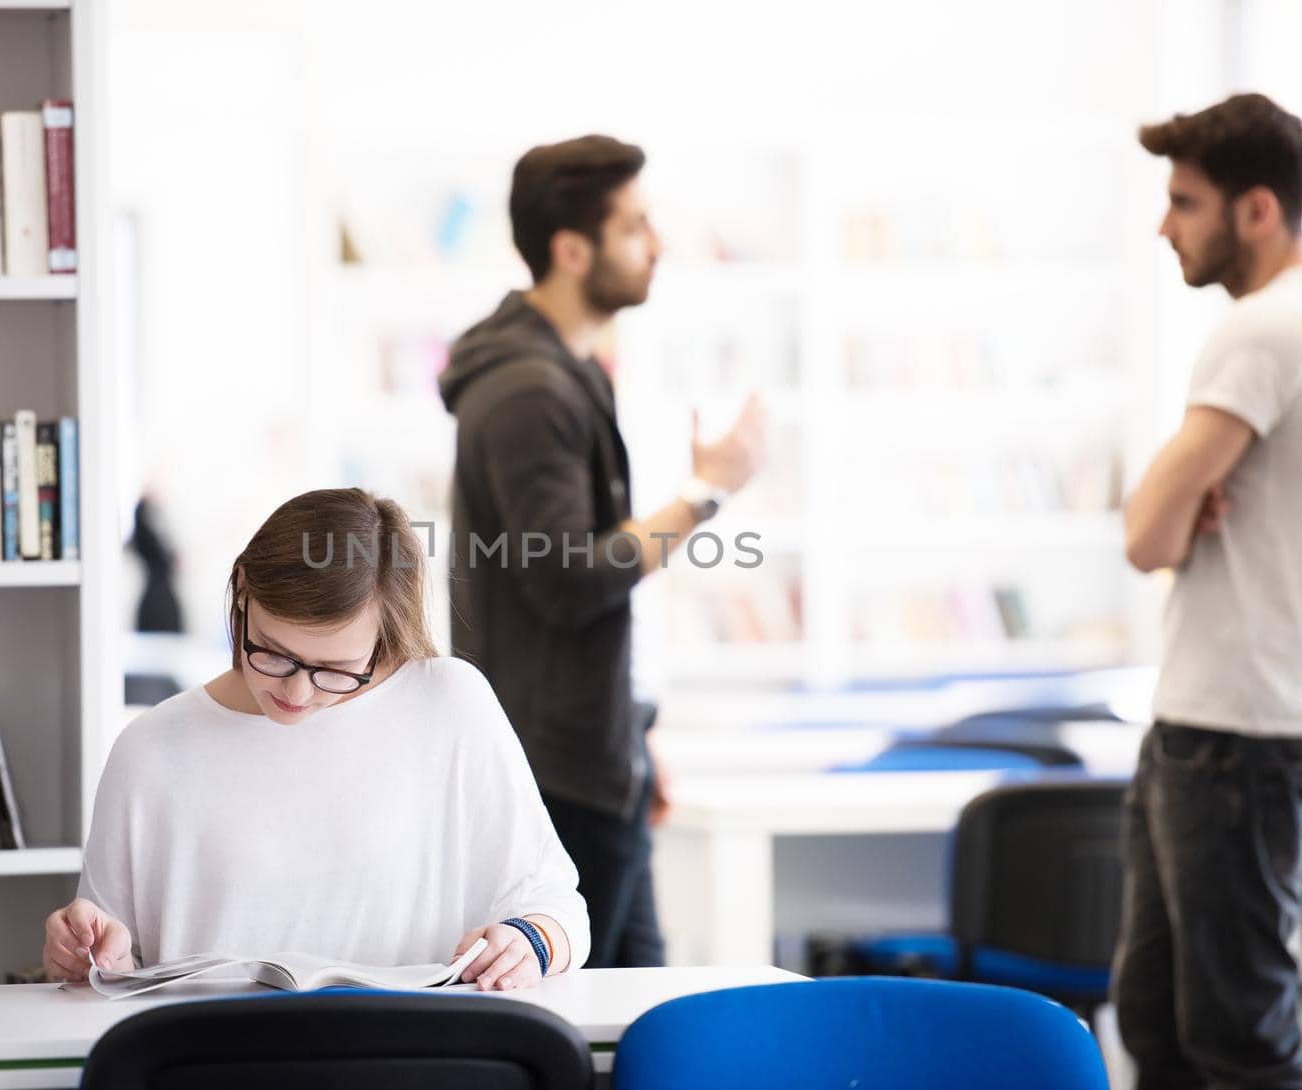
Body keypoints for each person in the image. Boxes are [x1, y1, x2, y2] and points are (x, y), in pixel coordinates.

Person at [43, 488, 590, 992]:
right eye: (273, 653)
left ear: (386, 636)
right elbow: (106, 963)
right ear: (242, 598)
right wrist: (82, 953)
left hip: (408, 1057)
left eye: (336, 668)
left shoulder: (450, 705)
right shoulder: (150, 748)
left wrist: (532, 942)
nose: (298, 692)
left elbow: (560, 909)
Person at [438, 135, 766, 968]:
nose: (656, 246)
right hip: (560, 779)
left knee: (637, 1024)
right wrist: (707, 491)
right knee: (593, 1034)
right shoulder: (528, 388)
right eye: (636, 226)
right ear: (572, 249)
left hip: (591, 758)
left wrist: (631, 729)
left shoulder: (561, 370)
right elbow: (571, 576)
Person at [1115, 92, 1302, 1089]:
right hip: (1217, 727)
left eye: (1183, 202)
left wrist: (1175, 486)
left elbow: (1145, 532)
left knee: (1235, 1045)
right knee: (1161, 1027)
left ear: (1255, 209)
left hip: (1233, 740)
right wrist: (1187, 483)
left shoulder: (1266, 328)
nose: (1165, 227)